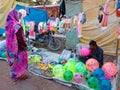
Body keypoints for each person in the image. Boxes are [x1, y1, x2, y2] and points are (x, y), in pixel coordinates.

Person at [5, 9, 28, 81]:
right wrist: (24, 45)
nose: (18, 16)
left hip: (11, 46)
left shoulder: (8, 24)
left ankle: (15, 73)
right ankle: (19, 74)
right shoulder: (17, 25)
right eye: (17, 15)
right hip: (18, 46)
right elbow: (20, 38)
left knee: (15, 59)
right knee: (21, 60)